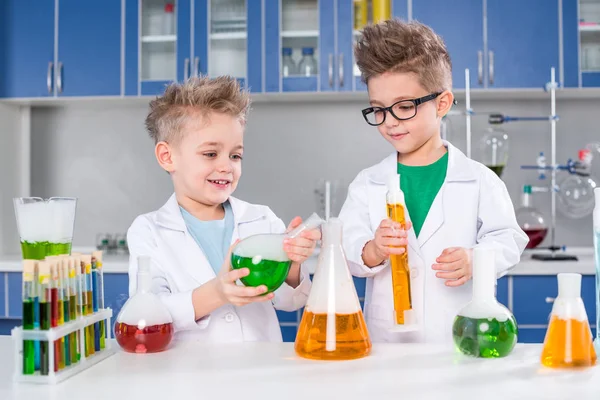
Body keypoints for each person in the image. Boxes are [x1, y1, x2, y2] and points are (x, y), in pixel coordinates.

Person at [338, 19, 528, 343]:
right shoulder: (367, 184)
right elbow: (346, 250)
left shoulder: (480, 180)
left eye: (404, 107)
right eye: (378, 110)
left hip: (459, 340)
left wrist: (475, 259)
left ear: (441, 103)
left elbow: (509, 239)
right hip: (387, 347)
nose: (390, 122)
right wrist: (373, 250)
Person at [127, 76, 320, 342]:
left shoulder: (261, 219)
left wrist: (293, 265)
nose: (226, 166)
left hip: (258, 372)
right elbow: (149, 311)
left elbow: (290, 302)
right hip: (190, 376)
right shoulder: (148, 231)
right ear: (167, 156)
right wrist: (216, 293)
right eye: (210, 154)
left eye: (235, 155)